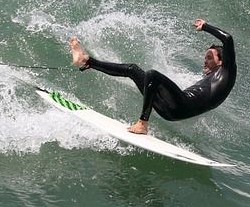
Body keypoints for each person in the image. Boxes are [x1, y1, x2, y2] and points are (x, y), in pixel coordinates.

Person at [70, 18, 236, 134]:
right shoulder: (214, 79)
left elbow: (228, 39)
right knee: (132, 69)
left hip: (181, 106)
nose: (205, 61)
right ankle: (87, 60)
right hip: (170, 111)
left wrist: (205, 26)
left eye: (209, 57)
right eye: (205, 57)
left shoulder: (227, 71)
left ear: (222, 61)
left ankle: (143, 123)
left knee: (152, 75)